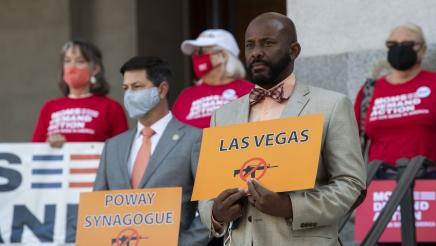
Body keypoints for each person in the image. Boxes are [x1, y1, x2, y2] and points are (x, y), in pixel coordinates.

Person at [198, 12, 366, 245]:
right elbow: (208, 191)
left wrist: (291, 207)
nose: (256, 51)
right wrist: (216, 215)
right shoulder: (222, 116)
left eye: (268, 43)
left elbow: (352, 185)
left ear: (293, 50)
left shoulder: (331, 106)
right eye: (250, 45)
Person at [93, 56, 210, 246]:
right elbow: (98, 207)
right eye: (125, 88)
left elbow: (210, 207)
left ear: (162, 90)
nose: (129, 95)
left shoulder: (195, 139)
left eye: (137, 86)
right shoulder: (113, 146)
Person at [354, 24, 436, 175]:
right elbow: (349, 141)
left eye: (408, 44)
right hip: (378, 185)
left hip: (427, 182)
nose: (399, 49)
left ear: (423, 50)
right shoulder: (369, 90)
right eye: (393, 44)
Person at [32, 39, 128, 147]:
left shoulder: (111, 108)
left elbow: (122, 152)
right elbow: (34, 151)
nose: (71, 67)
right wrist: (48, 145)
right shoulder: (49, 107)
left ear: (95, 69)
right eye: (67, 61)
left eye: (80, 61)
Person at [173, 29, 254, 128]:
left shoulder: (249, 91)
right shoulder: (186, 96)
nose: (196, 56)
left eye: (201, 51)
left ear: (223, 56)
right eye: (194, 52)